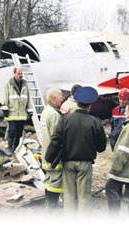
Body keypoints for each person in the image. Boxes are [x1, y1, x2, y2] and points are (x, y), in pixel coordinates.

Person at [45, 86, 107, 214]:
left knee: (69, 195)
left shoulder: (65, 120)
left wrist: (49, 159)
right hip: (85, 164)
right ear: (90, 105)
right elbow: (101, 147)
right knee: (84, 195)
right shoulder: (95, 122)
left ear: (77, 103)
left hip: (68, 163)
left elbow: (55, 141)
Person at [1, 67, 33, 154]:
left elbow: (28, 98)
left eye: (21, 74)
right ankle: (9, 148)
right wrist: (4, 108)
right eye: (19, 74)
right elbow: (5, 97)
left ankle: (15, 148)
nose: (21, 75)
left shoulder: (25, 85)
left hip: (22, 114)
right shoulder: (8, 84)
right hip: (12, 114)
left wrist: (30, 111)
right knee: (12, 131)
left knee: (19, 133)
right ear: (14, 73)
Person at [40, 88, 64, 209]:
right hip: (53, 156)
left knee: (48, 180)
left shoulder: (45, 112)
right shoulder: (54, 115)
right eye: (60, 97)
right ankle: (52, 206)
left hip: (45, 153)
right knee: (55, 182)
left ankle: (49, 204)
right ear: (54, 99)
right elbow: (57, 138)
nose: (62, 99)